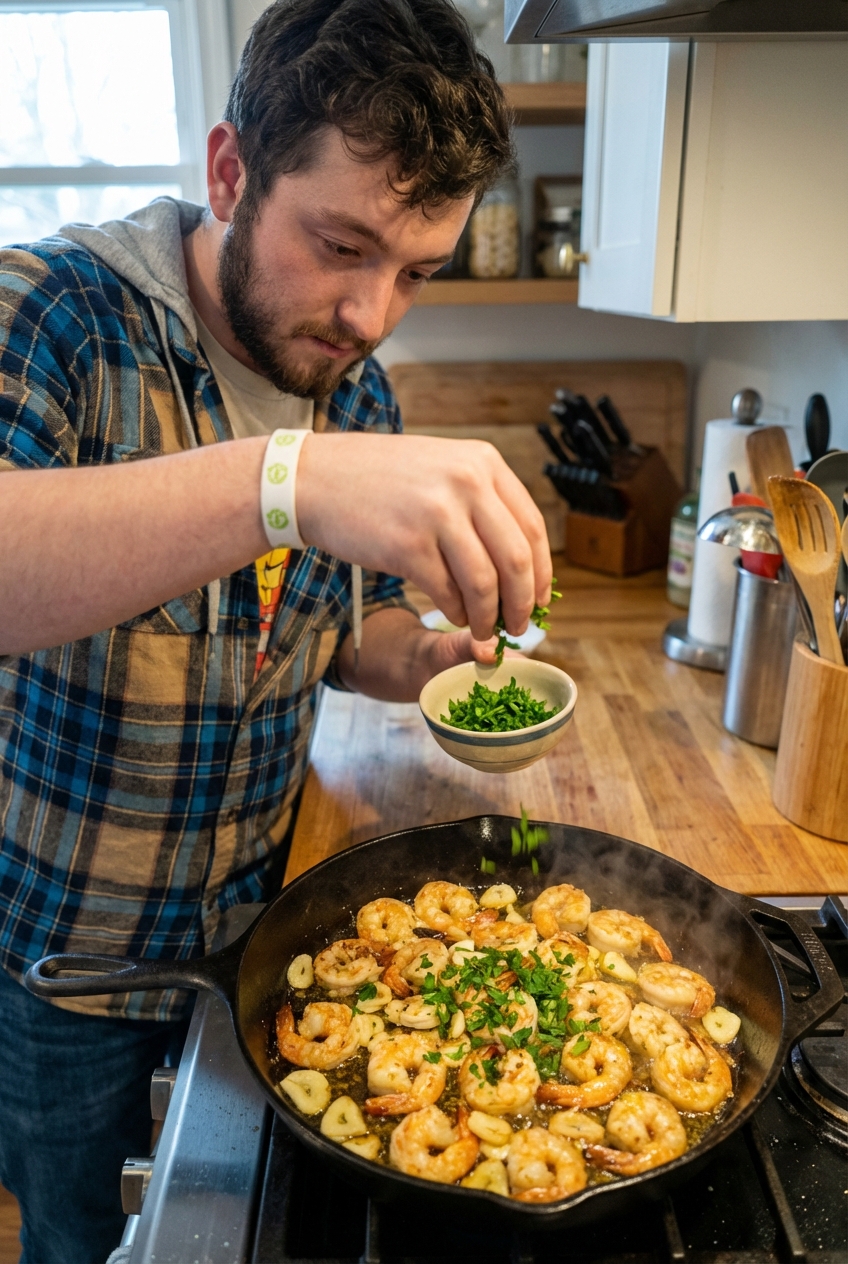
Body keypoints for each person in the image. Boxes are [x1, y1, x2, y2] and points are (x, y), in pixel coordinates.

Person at [0, 1, 551, 1259]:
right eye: (341, 244)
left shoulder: (348, 381)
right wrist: (287, 482)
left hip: (262, 947)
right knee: (82, 1238)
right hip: (64, 969)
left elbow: (333, 625)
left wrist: (423, 659)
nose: (370, 313)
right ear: (230, 170)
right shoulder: (60, 311)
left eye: (414, 272)